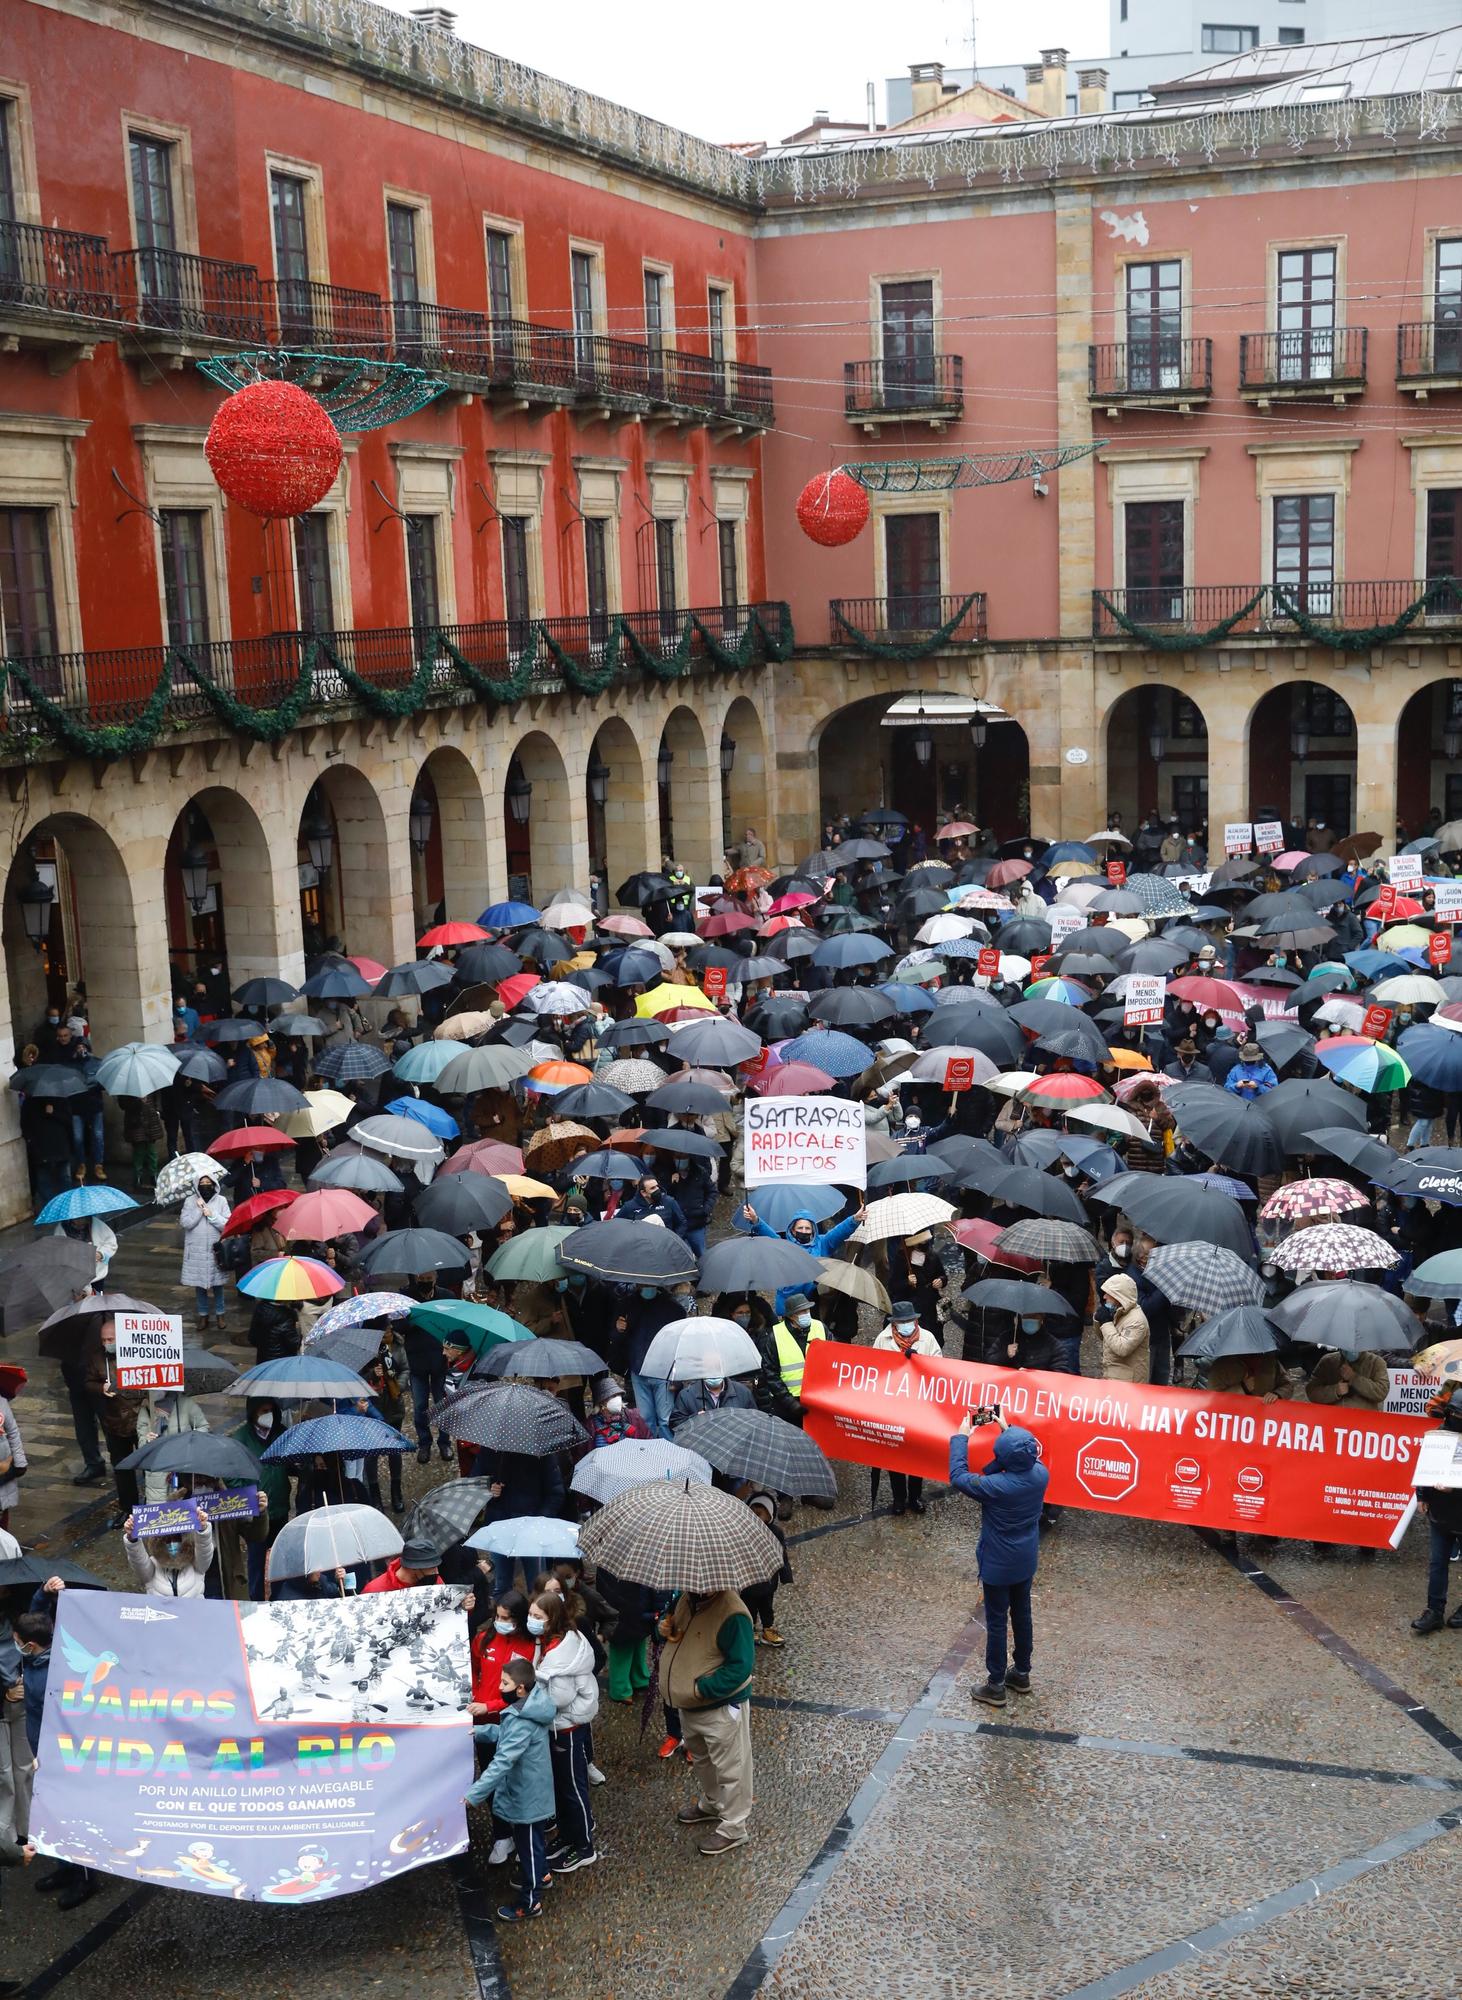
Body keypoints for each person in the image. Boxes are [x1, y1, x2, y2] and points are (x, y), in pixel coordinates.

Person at [949, 1407, 1050, 1708]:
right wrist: (1007, 1428)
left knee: (996, 1622)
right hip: (1025, 1560)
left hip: (997, 1564)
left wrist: (961, 1437)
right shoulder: (1040, 1474)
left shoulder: (996, 1487)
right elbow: (1021, 1460)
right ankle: (1021, 1672)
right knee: (1022, 1614)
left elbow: (958, 1476)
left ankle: (995, 1685)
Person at [660, 1581, 756, 1855]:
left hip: (719, 1707)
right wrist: (663, 1629)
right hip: (689, 1706)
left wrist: (701, 1689)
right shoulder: (686, 1599)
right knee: (702, 1759)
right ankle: (713, 1804)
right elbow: (678, 1638)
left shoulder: (733, 1614)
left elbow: (741, 1666)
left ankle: (734, 1828)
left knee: (732, 1768)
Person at [467, 1657, 556, 1921]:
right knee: (534, 1840)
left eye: (504, 1683)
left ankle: (530, 1903)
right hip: (533, 1792)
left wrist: (474, 1794)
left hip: (526, 1794)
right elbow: (506, 1733)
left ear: (519, 1688)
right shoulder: (527, 1706)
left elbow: (502, 1761)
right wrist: (481, 1732)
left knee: (528, 1846)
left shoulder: (521, 1718)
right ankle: (542, 1874)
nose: (500, 1687)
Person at [528, 1590, 598, 1873]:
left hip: (566, 1728)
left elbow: (558, 1698)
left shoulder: (560, 1652)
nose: (532, 1621)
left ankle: (583, 1846)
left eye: (537, 1617)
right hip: (559, 1727)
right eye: (531, 1614)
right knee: (562, 1786)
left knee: (572, 1788)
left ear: (552, 1619)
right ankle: (568, 1836)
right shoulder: (554, 1641)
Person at [870, 1303, 942, 1517]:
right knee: (896, 1454)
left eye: (908, 1321)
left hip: (920, 1407)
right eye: (901, 1322)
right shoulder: (883, 1340)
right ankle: (899, 1498)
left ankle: (915, 1497)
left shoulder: (928, 1339)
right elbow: (874, 1369)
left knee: (917, 1453)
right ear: (894, 1323)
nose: (905, 1326)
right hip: (893, 1407)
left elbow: (939, 1368)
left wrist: (920, 1361)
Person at [470, 1591, 535, 1719]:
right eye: (497, 1616)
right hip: (478, 1709)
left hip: (511, 1716)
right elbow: (471, 1667)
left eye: (505, 1618)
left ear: (519, 1618)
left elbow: (526, 1689)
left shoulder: (532, 1646)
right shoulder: (484, 1638)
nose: (499, 1621)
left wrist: (491, 1706)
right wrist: (474, 1693)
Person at [740, 1491, 791, 1648]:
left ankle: (768, 1628)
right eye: (753, 1513)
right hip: (749, 1581)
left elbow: (782, 1554)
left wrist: (785, 1574)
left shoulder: (776, 1533)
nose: (757, 1517)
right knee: (749, 1607)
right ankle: (751, 1628)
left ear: (770, 1515)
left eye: (760, 1514)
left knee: (767, 1607)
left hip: (769, 1580)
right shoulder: (744, 1530)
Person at [180, 1175, 231, 1330]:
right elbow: (185, 1223)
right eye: (202, 1183)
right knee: (200, 1285)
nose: (205, 1185)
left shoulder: (221, 1201)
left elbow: (227, 1225)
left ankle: (220, 1314)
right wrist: (199, 1211)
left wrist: (212, 1215)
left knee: (218, 1285)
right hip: (196, 1250)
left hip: (215, 1250)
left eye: (208, 1183)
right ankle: (203, 1315)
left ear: (214, 1184)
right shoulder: (190, 1201)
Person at [123, 1512, 215, 1596]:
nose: (172, 1544)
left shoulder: (196, 1563)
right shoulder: (152, 1566)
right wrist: (132, 1539)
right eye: (167, 1541)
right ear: (160, 1543)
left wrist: (203, 1529)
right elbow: (138, 1560)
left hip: (193, 1613)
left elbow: (204, 1548)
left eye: (177, 1539)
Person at [765, 1291, 827, 1410]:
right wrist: (790, 1403)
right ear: (791, 1316)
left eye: (808, 1310)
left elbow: (833, 1357)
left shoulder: (820, 1327)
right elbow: (770, 1373)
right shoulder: (775, 1336)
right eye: (802, 1311)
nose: (807, 1314)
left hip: (818, 1398)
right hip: (788, 1404)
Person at [1095, 1273, 1150, 1382]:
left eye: (1108, 1294)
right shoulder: (1119, 1311)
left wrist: (1106, 1323)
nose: (1104, 1297)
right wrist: (1098, 1320)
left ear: (1119, 1296)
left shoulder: (1137, 1321)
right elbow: (1105, 1338)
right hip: (1115, 1376)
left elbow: (1122, 1349)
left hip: (1129, 1382)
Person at [669, 1372, 754, 1434]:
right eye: (709, 1367)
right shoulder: (686, 1395)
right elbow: (675, 1426)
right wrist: (695, 1419)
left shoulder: (742, 1392)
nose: (713, 1372)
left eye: (716, 1366)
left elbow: (754, 1422)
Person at [587, 1375, 650, 1448]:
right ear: (601, 1403)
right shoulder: (591, 1425)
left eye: (619, 1395)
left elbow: (648, 1441)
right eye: (613, 1396)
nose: (618, 1399)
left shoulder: (634, 1416)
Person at [364, 1539, 441, 1593]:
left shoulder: (434, 1581)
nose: (436, 1571)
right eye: (432, 1568)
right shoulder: (374, 1591)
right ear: (414, 1568)